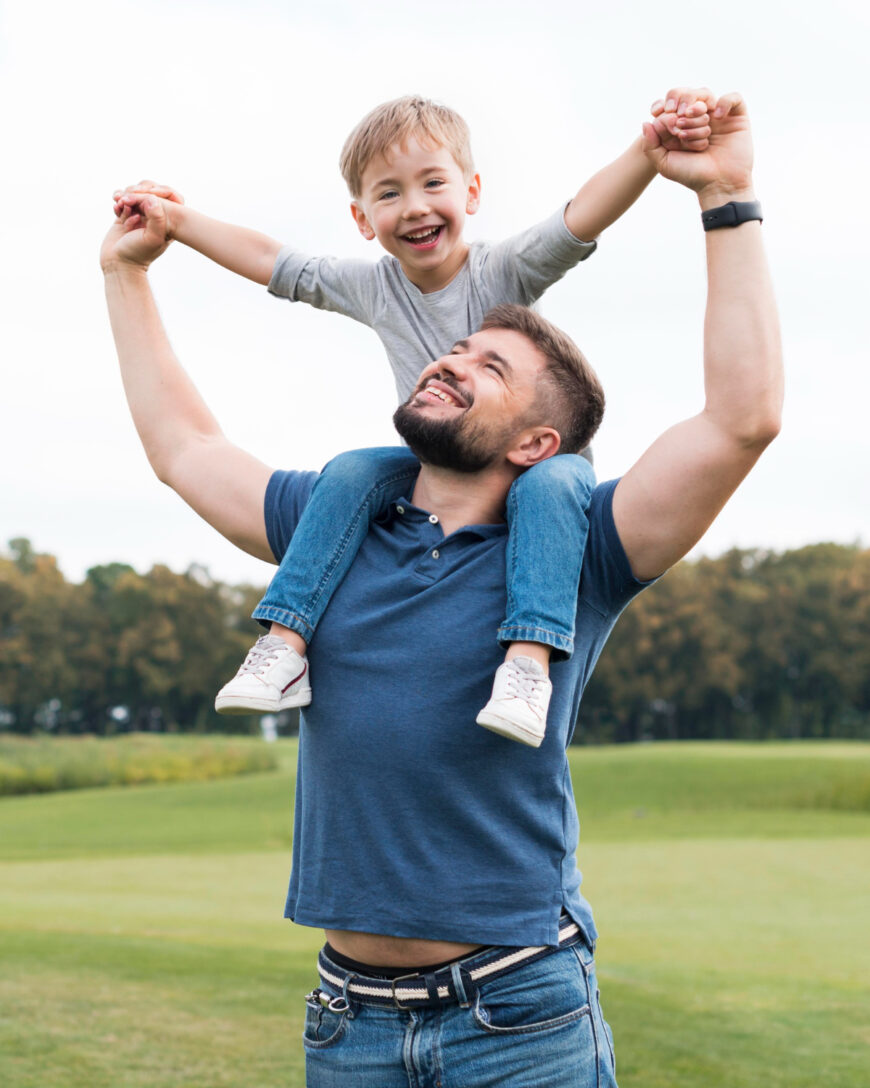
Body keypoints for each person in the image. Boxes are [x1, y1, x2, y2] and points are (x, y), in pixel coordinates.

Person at [102, 90, 781, 1086]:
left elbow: (742, 419)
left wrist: (726, 196)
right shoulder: (332, 531)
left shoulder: (580, 545)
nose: (450, 357)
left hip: (518, 1014)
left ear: (537, 441)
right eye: (455, 349)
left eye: (490, 363)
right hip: (348, 1024)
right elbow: (184, 446)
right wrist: (128, 273)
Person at [112, 89, 713, 747]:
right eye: (389, 193)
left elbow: (578, 220)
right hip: (438, 467)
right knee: (354, 471)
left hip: (536, 475)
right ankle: (284, 644)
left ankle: (527, 663)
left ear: (472, 193)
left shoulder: (502, 271)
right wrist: (176, 220)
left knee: (553, 483)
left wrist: (648, 155)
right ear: (363, 218)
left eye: (433, 183)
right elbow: (274, 263)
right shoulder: (376, 287)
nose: (416, 206)